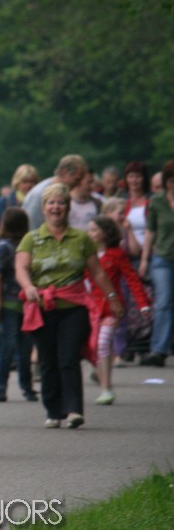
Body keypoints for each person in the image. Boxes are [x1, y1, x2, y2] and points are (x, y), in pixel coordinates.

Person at [15, 183, 123, 429]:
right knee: (48, 360)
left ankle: (73, 409)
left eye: (61, 203)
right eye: (51, 203)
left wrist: (113, 298)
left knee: (69, 357)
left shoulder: (81, 239)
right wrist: (29, 287)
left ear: (67, 207)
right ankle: (53, 411)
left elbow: (97, 272)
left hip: (74, 306)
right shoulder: (32, 239)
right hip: (42, 306)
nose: (56, 207)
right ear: (44, 208)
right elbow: (21, 268)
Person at [84, 216, 150, 404]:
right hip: (89, 307)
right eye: (89, 230)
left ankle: (106, 389)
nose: (89, 234)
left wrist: (143, 303)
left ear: (105, 233)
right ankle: (100, 370)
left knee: (103, 343)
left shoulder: (117, 255)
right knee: (91, 346)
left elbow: (132, 279)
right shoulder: (86, 254)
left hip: (111, 308)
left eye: (94, 230)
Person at [0, 208, 36, 402]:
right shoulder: (22, 246)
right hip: (20, 304)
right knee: (23, 348)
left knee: (7, 348)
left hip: (9, 303)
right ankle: (25, 387)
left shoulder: (4, 247)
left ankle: (2, 388)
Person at [139, 162, 174, 366]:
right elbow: (150, 231)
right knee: (163, 302)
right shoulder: (156, 202)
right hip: (162, 257)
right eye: (170, 181)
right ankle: (158, 349)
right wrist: (145, 259)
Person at [0, 164, 40, 256]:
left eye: (32, 182)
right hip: (9, 253)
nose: (29, 185)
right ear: (17, 183)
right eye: (25, 182)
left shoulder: (40, 202)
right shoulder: (5, 202)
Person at [23, 155, 90, 231]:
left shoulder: (63, 193)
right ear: (64, 172)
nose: (78, 184)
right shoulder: (39, 194)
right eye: (77, 179)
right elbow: (32, 225)